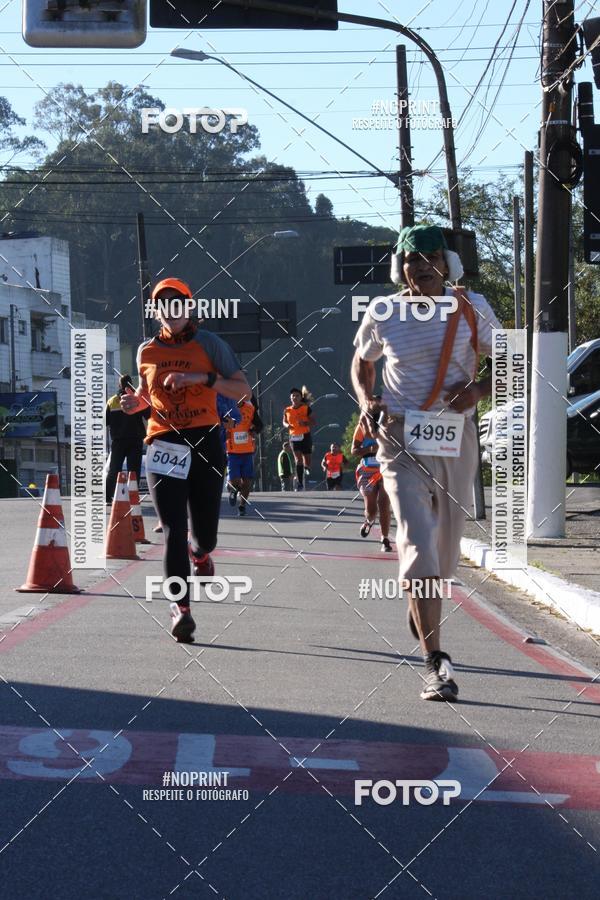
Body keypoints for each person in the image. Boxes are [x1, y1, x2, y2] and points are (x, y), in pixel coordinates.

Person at [351, 223, 500, 702]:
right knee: (417, 542)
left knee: (445, 554)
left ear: (448, 264)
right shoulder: (384, 311)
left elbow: (514, 360)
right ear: (402, 268)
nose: (422, 266)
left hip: (455, 438)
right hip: (399, 438)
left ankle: (422, 604)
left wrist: (477, 391)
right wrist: (366, 399)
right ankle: (436, 664)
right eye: (412, 259)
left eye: (431, 257)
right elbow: (362, 362)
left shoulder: (472, 308)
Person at [121, 277, 250, 643]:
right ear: (156, 311)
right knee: (173, 530)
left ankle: (200, 552)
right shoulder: (146, 350)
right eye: (162, 304)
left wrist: (202, 378)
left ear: (188, 307)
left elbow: (242, 390)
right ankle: (181, 609)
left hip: (205, 439)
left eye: (176, 302)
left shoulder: (210, 344)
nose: (170, 309)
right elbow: (147, 395)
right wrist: (135, 403)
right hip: (164, 441)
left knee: (204, 535)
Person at [351, 409, 393, 552]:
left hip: (386, 469)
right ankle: (369, 521)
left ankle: (385, 539)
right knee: (371, 510)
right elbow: (354, 450)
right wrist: (370, 449)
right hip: (367, 471)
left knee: (384, 504)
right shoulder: (362, 426)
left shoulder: (390, 426)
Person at [105, 374, 149, 503]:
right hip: (135, 440)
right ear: (131, 384)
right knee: (133, 471)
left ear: (119, 385)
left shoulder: (112, 401)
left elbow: (105, 421)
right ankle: (132, 497)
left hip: (118, 441)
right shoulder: (137, 399)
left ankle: (108, 497)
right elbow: (148, 415)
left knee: (114, 469)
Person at [225, 396, 257, 516]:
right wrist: (224, 433)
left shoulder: (250, 408)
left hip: (247, 451)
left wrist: (254, 429)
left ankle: (242, 506)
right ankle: (232, 489)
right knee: (235, 481)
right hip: (232, 452)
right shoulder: (227, 409)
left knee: (247, 481)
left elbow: (258, 424)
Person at [283, 386, 315, 491]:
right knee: (298, 460)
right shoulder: (287, 410)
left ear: (301, 398)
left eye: (297, 396)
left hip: (305, 436)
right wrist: (287, 425)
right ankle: (300, 483)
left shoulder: (306, 408)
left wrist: (305, 423)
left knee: (307, 460)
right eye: (293, 396)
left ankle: (307, 467)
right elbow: (284, 421)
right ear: (290, 398)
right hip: (294, 437)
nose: (295, 397)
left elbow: (313, 422)